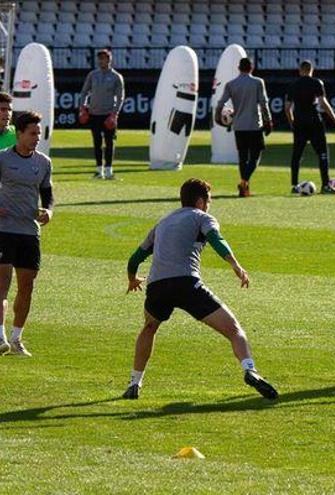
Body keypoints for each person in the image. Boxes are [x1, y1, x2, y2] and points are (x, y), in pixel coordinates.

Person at [123, 178, 277, 399]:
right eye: (209, 201)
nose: (209, 205)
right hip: (187, 283)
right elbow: (217, 239)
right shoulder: (202, 217)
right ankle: (250, 369)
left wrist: (132, 279)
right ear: (199, 201)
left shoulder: (162, 223)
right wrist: (235, 264)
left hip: (157, 286)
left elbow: (135, 258)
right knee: (234, 330)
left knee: (149, 327)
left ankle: (134, 383)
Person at [0, 112, 53, 357]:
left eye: (39, 134)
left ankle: (16, 338)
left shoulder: (43, 162)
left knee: (27, 286)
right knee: (2, 283)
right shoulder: (2, 159)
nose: (36, 138)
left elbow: (47, 193)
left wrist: (49, 212)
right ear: (19, 133)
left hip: (30, 231)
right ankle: (0, 336)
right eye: (32, 134)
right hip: (4, 229)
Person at [213, 58, 272, 198]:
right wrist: (268, 120)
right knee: (255, 156)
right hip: (254, 125)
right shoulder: (257, 82)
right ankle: (244, 181)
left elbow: (221, 103)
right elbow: (263, 103)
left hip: (239, 126)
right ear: (251, 68)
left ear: (238, 68)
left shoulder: (231, 84)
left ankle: (244, 185)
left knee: (242, 157)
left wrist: (217, 117)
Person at [285, 60, 335, 194]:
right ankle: (325, 185)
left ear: (300, 70)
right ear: (312, 70)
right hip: (314, 121)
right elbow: (323, 103)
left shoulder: (293, 85)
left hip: (299, 121)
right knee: (322, 152)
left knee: (297, 154)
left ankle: (294, 185)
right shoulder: (317, 83)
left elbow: (287, 108)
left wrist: (292, 122)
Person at [79, 49, 124, 180]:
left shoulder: (116, 77)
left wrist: (115, 113)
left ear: (109, 60)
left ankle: (109, 170)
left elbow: (120, 97)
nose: (102, 61)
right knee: (97, 142)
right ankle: (99, 170)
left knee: (110, 143)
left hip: (108, 114)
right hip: (94, 113)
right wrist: (83, 107)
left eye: (104, 58)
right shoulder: (92, 75)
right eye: (100, 58)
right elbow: (84, 92)